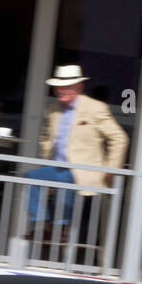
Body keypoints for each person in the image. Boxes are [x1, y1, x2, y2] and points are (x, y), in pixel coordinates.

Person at [25, 64, 128, 236]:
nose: (61, 90)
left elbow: (119, 138)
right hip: (56, 167)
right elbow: (46, 137)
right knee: (30, 178)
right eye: (58, 86)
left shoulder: (95, 108)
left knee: (66, 178)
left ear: (79, 87)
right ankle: (42, 224)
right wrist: (45, 156)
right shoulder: (52, 109)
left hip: (83, 170)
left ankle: (61, 227)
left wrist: (111, 169)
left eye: (67, 86)